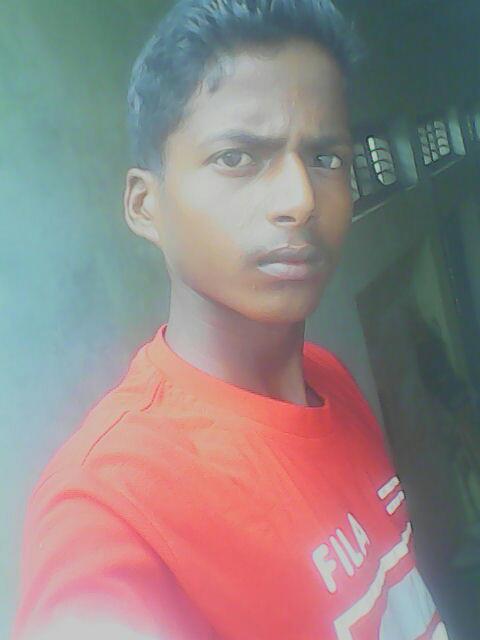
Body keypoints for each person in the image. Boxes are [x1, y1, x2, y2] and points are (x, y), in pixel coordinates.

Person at [13, 0, 449, 638]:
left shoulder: (328, 378)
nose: (299, 200)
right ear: (145, 206)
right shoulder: (113, 504)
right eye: (237, 158)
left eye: (326, 158)